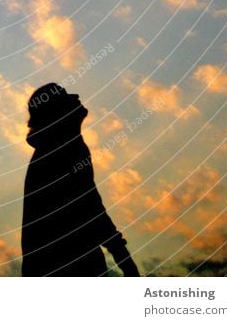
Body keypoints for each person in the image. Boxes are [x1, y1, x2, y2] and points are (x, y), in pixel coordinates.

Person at [21, 82, 140, 276]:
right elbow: (90, 207)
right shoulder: (63, 148)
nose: (75, 96)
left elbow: (89, 207)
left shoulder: (58, 147)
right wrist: (124, 260)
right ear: (56, 112)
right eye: (65, 96)